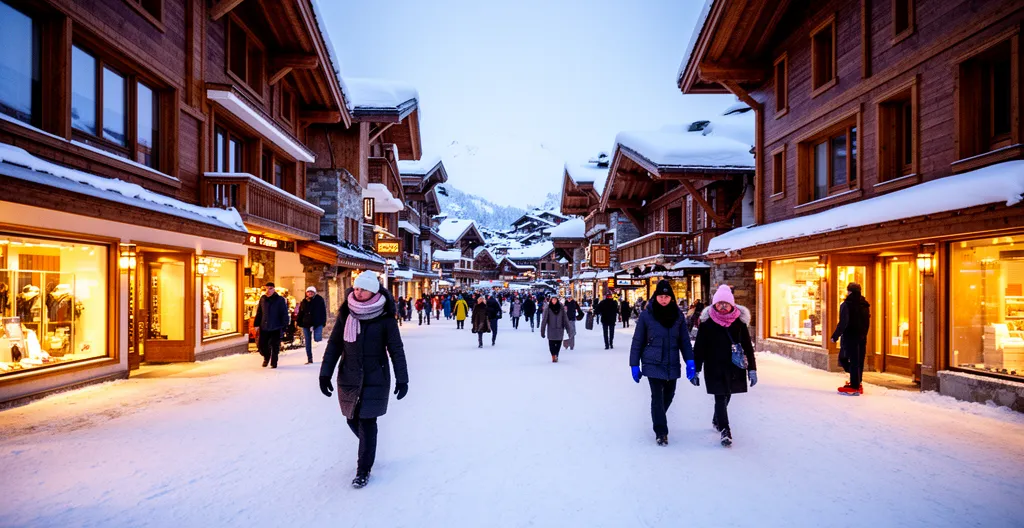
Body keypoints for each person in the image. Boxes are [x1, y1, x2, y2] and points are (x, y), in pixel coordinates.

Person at [318, 271, 408, 489]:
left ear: (374, 291)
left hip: (376, 375)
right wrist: (325, 373)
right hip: (349, 375)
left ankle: (363, 470)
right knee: (351, 418)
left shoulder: (386, 318)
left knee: (367, 422)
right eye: (356, 288)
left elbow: (396, 349)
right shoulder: (346, 314)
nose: (358, 292)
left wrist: (402, 379)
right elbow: (335, 346)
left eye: (363, 289)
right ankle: (369, 447)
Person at [629, 280, 695, 445]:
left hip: (672, 362)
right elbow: (638, 341)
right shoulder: (646, 315)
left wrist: (690, 361)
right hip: (652, 362)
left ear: (671, 298)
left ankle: (658, 416)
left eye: (666, 296)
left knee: (669, 395)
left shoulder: (678, 316)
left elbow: (684, 341)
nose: (663, 299)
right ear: (655, 297)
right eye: (661, 296)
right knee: (657, 397)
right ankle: (661, 432)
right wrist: (634, 364)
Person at [693, 285, 756, 447]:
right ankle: (725, 430)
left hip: (734, 366)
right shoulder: (707, 324)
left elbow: (748, 348)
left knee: (727, 394)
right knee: (720, 396)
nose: (722, 306)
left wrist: (752, 370)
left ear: (732, 305)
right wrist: (696, 369)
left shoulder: (739, 324)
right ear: (714, 305)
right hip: (713, 366)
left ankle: (717, 418)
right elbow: (699, 348)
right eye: (719, 303)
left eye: (725, 303)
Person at [832, 282, 871, 395]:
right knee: (858, 360)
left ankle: (855, 384)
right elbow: (867, 322)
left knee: (844, 358)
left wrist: (835, 336)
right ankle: (857, 381)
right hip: (862, 337)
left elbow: (843, 323)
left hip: (850, 337)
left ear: (849, 291)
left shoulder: (846, 305)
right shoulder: (865, 305)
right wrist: (864, 334)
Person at [254, 282, 290, 368]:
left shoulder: (280, 299)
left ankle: (274, 362)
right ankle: (266, 357)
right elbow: (259, 312)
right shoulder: (263, 298)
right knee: (262, 345)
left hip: (276, 326)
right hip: (264, 326)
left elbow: (284, 313)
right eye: (266, 288)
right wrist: (256, 324)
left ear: (274, 289)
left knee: (275, 345)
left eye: (270, 288)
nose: (268, 290)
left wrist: (284, 325)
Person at [296, 286, 328, 364]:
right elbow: (301, 312)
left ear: (314, 293)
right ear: (306, 293)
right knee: (307, 341)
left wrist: (323, 322)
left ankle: (324, 356)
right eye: (308, 292)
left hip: (317, 323)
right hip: (306, 323)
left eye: (311, 292)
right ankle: (309, 358)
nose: (310, 293)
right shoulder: (304, 301)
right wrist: (299, 322)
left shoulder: (319, 300)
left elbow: (323, 312)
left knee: (318, 339)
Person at [540, 296, 575, 363]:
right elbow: (544, 320)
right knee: (551, 344)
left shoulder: (561, 308)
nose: (554, 301)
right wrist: (542, 331)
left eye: (555, 300)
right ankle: (553, 355)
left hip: (560, 329)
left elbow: (565, 319)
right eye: (553, 300)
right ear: (551, 300)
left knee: (558, 344)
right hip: (551, 329)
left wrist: (569, 330)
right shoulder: (548, 308)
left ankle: (556, 355)